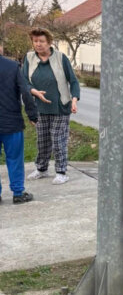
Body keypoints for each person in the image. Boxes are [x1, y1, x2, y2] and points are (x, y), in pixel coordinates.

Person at [23, 27, 80, 185]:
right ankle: (41, 169)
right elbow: (23, 82)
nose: (38, 44)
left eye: (41, 41)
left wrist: (74, 99)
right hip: (39, 107)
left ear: (49, 43)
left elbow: (73, 81)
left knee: (58, 140)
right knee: (42, 140)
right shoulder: (29, 58)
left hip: (60, 107)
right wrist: (34, 91)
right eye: (35, 41)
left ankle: (61, 171)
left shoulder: (61, 58)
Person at [0, 47, 39, 204]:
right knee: (15, 158)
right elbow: (25, 92)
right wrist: (32, 115)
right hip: (12, 122)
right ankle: (18, 193)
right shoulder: (12, 66)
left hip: (10, 121)